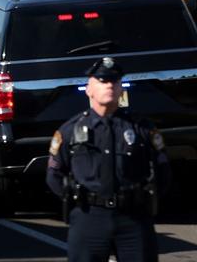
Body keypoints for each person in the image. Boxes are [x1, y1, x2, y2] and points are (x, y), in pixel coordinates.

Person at [47, 57, 170, 262]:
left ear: (121, 88)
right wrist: (79, 201)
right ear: (89, 89)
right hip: (89, 217)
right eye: (102, 81)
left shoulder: (141, 128)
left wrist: (144, 200)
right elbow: (54, 175)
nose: (109, 85)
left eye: (114, 81)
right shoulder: (71, 130)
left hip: (133, 217)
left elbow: (163, 171)